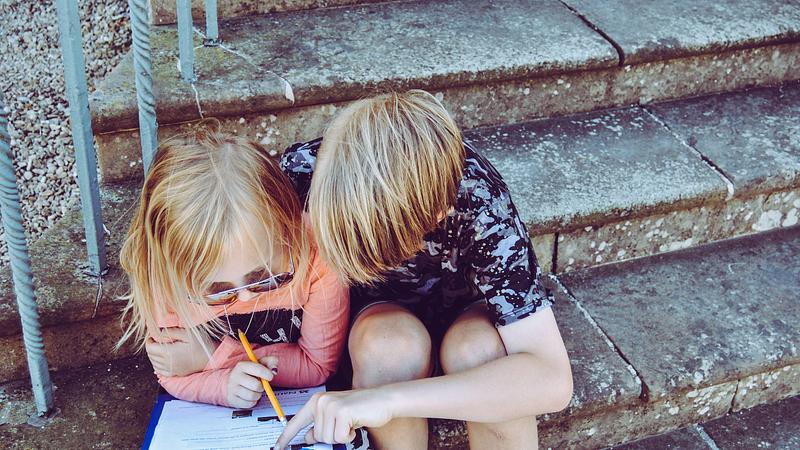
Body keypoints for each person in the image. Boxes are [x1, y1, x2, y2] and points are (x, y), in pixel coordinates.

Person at [275, 90, 573, 450]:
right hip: (376, 324)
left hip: (467, 313)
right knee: (387, 345)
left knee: (479, 351)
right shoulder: (304, 174)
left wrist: (389, 400)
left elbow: (552, 379)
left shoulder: (477, 199)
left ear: (437, 215)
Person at [117, 130, 350, 411]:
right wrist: (223, 387)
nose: (246, 298)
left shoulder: (318, 255)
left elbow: (317, 365)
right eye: (216, 290)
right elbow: (172, 372)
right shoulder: (164, 280)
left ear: (288, 230)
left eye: (263, 276)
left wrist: (212, 357)